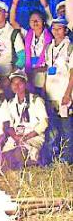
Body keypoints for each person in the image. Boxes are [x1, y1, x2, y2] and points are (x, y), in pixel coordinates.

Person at [10, 0, 53, 95]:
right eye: (31, 20)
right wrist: (15, 3)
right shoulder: (28, 34)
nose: (34, 22)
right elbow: (12, 21)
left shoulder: (51, 35)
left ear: (43, 22)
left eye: (37, 20)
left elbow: (46, 6)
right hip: (29, 75)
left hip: (46, 77)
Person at [1, 70, 48, 169]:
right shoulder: (10, 103)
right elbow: (9, 125)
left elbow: (44, 123)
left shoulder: (36, 100)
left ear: (25, 84)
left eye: (19, 83)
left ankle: (30, 162)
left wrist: (27, 137)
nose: (16, 86)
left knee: (20, 153)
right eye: (13, 83)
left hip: (33, 137)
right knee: (2, 158)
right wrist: (16, 137)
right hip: (16, 138)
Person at [43, 18, 73, 163]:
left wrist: (68, 93)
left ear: (65, 30)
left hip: (63, 93)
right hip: (51, 92)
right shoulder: (50, 47)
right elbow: (48, 70)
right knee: (53, 127)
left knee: (66, 127)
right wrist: (44, 89)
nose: (56, 31)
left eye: (59, 28)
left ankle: (66, 160)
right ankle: (53, 158)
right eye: (54, 28)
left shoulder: (70, 47)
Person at [0, 0, 25, 95]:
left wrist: (10, 76)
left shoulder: (13, 32)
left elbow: (22, 57)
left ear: (6, 15)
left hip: (6, 79)